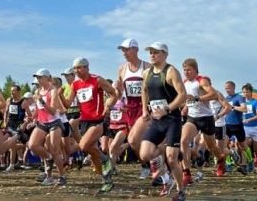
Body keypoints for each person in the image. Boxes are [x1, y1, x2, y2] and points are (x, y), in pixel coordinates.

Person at [59, 58, 117, 193]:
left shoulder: (97, 80)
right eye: (74, 68)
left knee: (84, 146)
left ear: (86, 67)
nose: (76, 71)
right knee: (92, 156)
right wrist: (61, 95)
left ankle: (106, 159)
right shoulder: (75, 84)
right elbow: (67, 105)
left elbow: (114, 94)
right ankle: (107, 181)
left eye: (79, 68)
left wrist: (108, 106)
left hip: (98, 120)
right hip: (85, 121)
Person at [140, 42, 187, 201]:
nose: (152, 55)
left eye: (156, 52)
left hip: (172, 120)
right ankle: (168, 154)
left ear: (165, 54)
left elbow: (182, 95)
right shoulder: (146, 72)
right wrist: (145, 109)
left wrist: (166, 109)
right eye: (151, 53)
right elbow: (144, 91)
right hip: (156, 120)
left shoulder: (171, 71)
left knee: (172, 160)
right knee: (144, 153)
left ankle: (181, 191)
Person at [180, 58, 225, 185]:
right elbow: (188, 100)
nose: (186, 72)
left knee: (211, 146)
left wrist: (197, 98)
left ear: (195, 70)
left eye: (189, 70)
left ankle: (220, 159)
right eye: (184, 70)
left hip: (206, 118)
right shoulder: (185, 82)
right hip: (192, 118)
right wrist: (184, 107)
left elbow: (214, 94)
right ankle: (186, 173)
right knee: (184, 141)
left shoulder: (201, 81)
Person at [117, 38, 153, 179]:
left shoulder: (147, 67)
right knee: (135, 142)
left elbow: (152, 89)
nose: (124, 53)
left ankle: (155, 162)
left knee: (135, 139)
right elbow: (120, 94)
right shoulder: (122, 69)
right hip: (130, 107)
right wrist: (118, 89)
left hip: (145, 107)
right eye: (123, 50)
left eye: (127, 49)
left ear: (136, 50)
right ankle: (146, 164)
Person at [28, 68, 66, 186]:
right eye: (37, 78)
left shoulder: (52, 90)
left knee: (54, 150)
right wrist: (32, 119)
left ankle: (61, 176)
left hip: (54, 122)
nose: (38, 80)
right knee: (32, 145)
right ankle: (48, 159)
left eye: (40, 77)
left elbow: (53, 111)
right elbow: (40, 111)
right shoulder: (38, 91)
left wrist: (42, 101)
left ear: (47, 78)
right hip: (42, 123)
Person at [224, 81, 253, 175]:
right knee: (223, 145)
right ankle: (229, 164)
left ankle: (250, 161)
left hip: (238, 125)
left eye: (228, 88)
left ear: (233, 88)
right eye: (225, 88)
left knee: (243, 146)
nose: (227, 90)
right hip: (227, 125)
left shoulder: (239, 97)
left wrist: (232, 107)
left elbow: (244, 109)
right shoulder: (226, 98)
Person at [4, 84, 31, 173]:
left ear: (19, 92)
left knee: (12, 146)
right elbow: (6, 111)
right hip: (10, 124)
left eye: (14, 90)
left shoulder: (23, 102)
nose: (12, 92)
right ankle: (28, 146)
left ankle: (11, 165)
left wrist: (25, 122)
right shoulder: (9, 100)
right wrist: (5, 121)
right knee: (11, 146)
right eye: (11, 90)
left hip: (19, 124)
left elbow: (30, 115)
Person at [241, 83, 257, 171]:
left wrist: (249, 119)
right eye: (244, 92)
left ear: (251, 92)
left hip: (255, 127)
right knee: (244, 145)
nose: (245, 94)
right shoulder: (242, 102)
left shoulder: (255, 101)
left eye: (247, 92)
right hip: (246, 127)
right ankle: (244, 165)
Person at [61, 68, 81, 144]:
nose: (66, 78)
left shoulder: (78, 84)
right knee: (77, 138)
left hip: (77, 113)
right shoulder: (64, 87)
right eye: (65, 76)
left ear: (73, 75)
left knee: (67, 131)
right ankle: (85, 152)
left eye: (67, 75)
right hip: (67, 113)